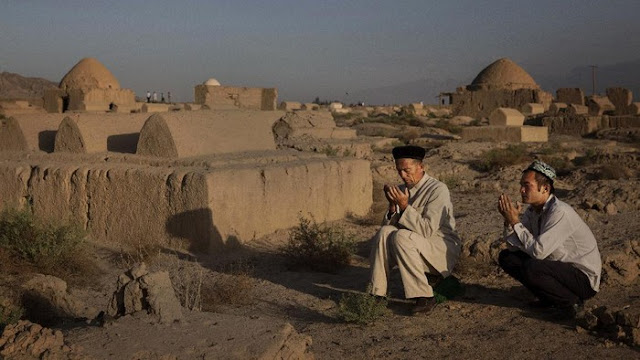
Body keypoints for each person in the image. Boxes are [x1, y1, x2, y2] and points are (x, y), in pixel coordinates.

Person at [497, 160, 601, 318]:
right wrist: (509, 222)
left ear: (545, 188)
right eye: (521, 185)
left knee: (533, 266)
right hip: (558, 269)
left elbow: (538, 252)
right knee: (507, 257)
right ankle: (549, 298)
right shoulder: (533, 211)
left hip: (582, 279)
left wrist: (516, 222)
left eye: (527, 185)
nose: (521, 190)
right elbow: (513, 247)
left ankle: (571, 303)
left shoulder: (559, 212)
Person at [370, 145, 462, 315]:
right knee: (384, 233)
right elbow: (388, 229)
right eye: (399, 171)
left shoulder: (437, 189)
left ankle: (425, 296)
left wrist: (404, 206)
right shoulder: (402, 189)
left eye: (407, 170)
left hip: (440, 250)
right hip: (414, 247)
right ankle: (378, 293)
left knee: (401, 236)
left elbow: (427, 230)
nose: (403, 175)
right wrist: (392, 207)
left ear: (421, 167)